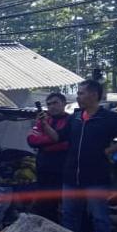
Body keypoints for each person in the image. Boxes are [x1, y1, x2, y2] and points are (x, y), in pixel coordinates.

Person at [43, 79, 117, 232]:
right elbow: (58, 137)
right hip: (72, 176)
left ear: (93, 95)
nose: (78, 97)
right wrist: (44, 124)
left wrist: (109, 151)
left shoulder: (109, 118)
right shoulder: (76, 118)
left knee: (99, 216)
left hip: (96, 177)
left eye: (81, 93)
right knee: (69, 215)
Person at [28, 93, 70, 222]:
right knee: (44, 204)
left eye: (55, 103)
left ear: (64, 103)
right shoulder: (43, 121)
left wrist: (48, 140)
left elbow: (64, 142)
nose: (52, 106)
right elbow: (32, 140)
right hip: (44, 168)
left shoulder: (71, 121)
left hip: (63, 168)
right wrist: (52, 140)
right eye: (49, 104)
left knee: (66, 204)